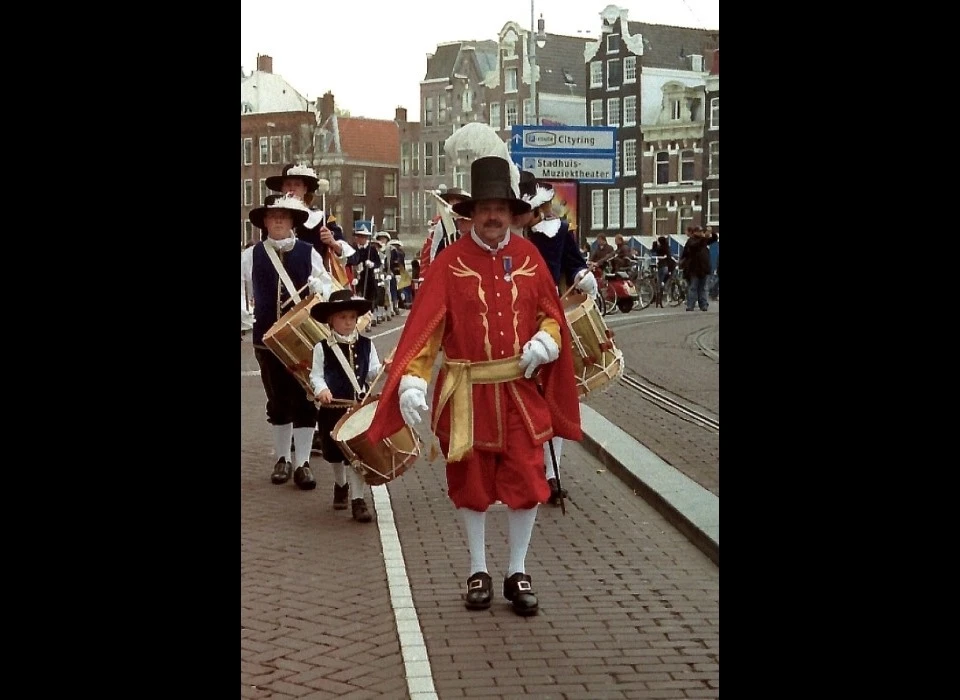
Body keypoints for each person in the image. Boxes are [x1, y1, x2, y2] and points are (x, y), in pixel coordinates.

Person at [366, 155, 583, 616]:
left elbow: (552, 313)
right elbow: (425, 332)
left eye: (499, 208)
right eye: (483, 207)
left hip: (520, 391)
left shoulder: (528, 258)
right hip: (465, 394)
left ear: (511, 212)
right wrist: (412, 380)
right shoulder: (449, 262)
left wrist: (548, 338)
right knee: (471, 483)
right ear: (471, 213)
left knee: (528, 478)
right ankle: (478, 569)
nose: (491, 216)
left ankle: (517, 570)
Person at [240, 193, 336, 490]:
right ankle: (282, 458)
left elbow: (328, 287)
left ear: (292, 221)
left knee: (305, 399)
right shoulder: (250, 255)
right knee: (277, 399)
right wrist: (245, 316)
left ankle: (303, 463)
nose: (278, 221)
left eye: (284, 217)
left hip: (302, 339)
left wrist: (322, 289)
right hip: (266, 341)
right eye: (273, 217)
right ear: (265, 222)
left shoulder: (308, 252)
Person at [514, 171, 598, 506]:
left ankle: (552, 473)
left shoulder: (558, 231)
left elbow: (573, 264)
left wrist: (583, 277)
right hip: (513, 319)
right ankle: (525, 468)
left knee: (555, 396)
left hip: (548, 318)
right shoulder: (505, 236)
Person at [308, 289, 382, 523]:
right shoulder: (321, 348)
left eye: (352, 317)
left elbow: (371, 372)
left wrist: (383, 371)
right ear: (331, 320)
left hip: (357, 411)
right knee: (335, 456)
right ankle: (340, 484)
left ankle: (357, 500)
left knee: (357, 457)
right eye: (342, 318)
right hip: (332, 411)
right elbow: (316, 375)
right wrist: (322, 390)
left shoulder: (367, 345)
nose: (348, 322)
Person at [266, 164, 356, 276]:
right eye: (288, 184)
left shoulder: (321, 219)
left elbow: (352, 258)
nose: (292, 188)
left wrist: (333, 243)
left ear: (305, 189)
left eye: (297, 185)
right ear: (282, 189)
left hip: (313, 282)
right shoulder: (272, 219)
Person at [419, 185, 472, 281]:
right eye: (452, 200)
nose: (455, 202)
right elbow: (434, 249)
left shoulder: (471, 221)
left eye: (457, 200)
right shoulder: (442, 223)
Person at [346, 225, 381, 325]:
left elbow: (378, 263)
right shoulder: (352, 249)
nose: (362, 239)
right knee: (356, 297)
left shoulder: (372, 249)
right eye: (360, 236)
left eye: (364, 237)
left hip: (369, 277)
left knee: (370, 297)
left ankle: (369, 319)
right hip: (356, 277)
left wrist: (372, 264)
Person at [679, 226, 720, 312]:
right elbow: (696, 246)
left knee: (703, 288)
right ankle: (690, 305)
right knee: (693, 287)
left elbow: (714, 239)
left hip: (704, 268)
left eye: (702, 231)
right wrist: (704, 238)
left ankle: (703, 305)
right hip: (694, 268)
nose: (701, 233)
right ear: (695, 232)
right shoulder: (691, 241)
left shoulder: (703, 240)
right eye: (699, 231)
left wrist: (711, 233)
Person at [650, 234, 675, 308]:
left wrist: (654, 243)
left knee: (659, 283)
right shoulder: (667, 248)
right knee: (662, 283)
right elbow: (669, 258)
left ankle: (659, 300)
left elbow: (652, 250)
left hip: (661, 267)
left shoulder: (660, 248)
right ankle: (660, 300)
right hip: (667, 267)